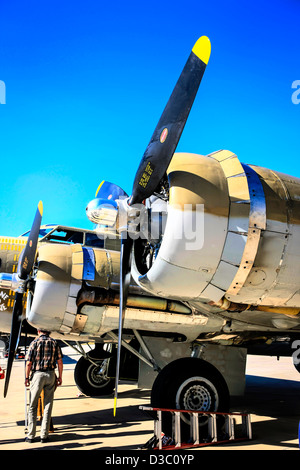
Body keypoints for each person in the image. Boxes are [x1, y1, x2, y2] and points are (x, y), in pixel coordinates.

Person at [24, 329, 63, 443]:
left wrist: (26, 378)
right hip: (51, 374)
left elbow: (29, 363)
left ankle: (31, 435)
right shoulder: (54, 342)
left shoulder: (34, 343)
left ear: (38, 331)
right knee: (48, 405)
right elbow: (60, 362)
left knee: (32, 406)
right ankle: (44, 435)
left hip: (37, 375)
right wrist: (59, 377)